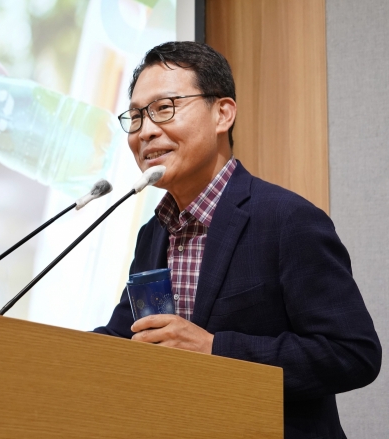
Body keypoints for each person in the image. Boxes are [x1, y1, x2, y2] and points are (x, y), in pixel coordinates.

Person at [93, 41, 381, 438]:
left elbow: (353, 354)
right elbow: (127, 336)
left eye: (164, 108)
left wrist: (215, 350)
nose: (146, 131)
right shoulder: (153, 234)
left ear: (222, 113)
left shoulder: (287, 220)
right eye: (137, 116)